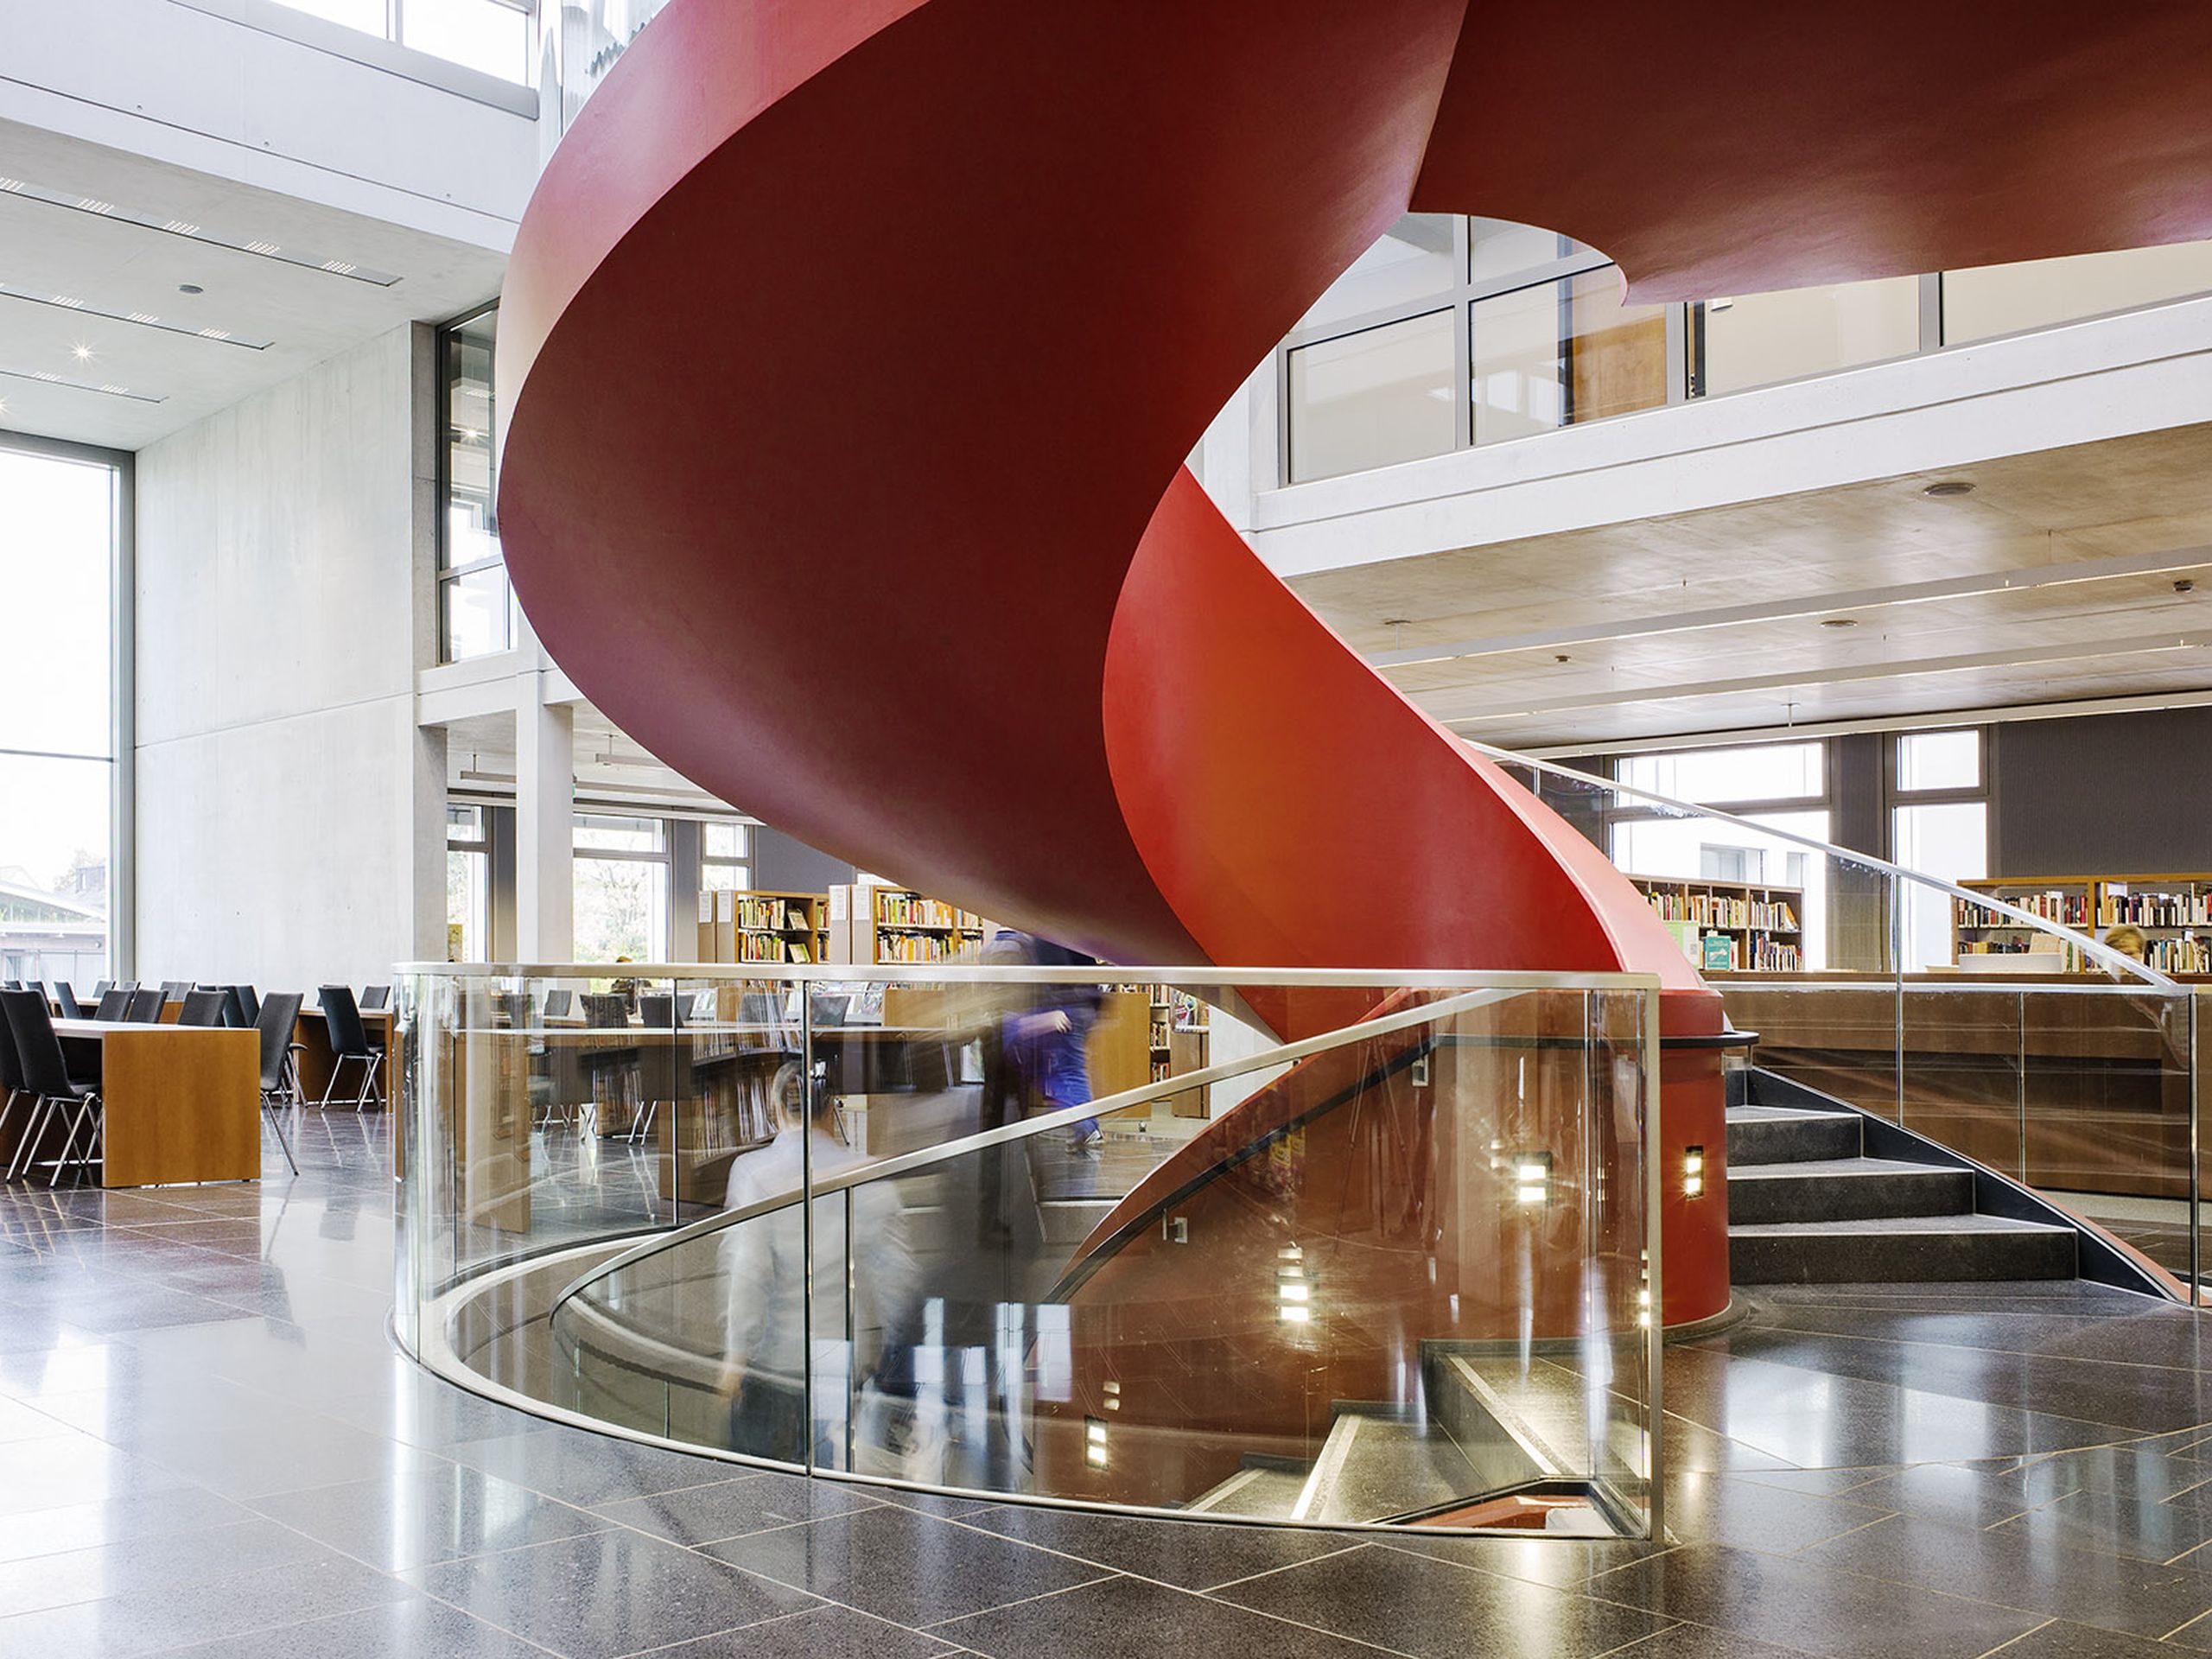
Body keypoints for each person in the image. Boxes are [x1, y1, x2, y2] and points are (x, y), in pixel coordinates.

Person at [718, 1061, 917, 1467]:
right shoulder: (867, 1175)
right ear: (832, 1111)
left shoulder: (755, 1174)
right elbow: (899, 1279)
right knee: (828, 1472)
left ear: (775, 1109)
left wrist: (735, 1360)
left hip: (778, 1362)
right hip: (843, 1360)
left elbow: (749, 1276)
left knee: (762, 1482)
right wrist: (894, 1364)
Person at [1001, 931, 1105, 1150]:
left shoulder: (1046, 932)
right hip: (1082, 1005)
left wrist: (1050, 1011)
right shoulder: (1066, 929)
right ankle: (1086, 1125)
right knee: (1066, 1068)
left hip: (1066, 1008)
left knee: (1067, 1070)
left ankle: (1087, 1127)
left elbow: (1054, 973)